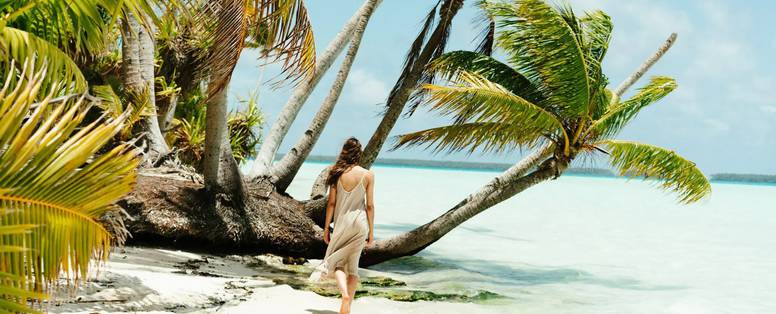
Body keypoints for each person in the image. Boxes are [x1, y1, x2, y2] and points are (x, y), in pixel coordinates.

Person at [308, 137, 375, 314]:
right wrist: (371, 231)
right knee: (353, 267)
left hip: (342, 223)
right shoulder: (368, 175)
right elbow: (369, 206)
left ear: (344, 152)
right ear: (359, 154)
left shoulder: (336, 173)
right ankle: (347, 306)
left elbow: (331, 203)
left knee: (336, 262)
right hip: (360, 223)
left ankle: (344, 295)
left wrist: (325, 229)